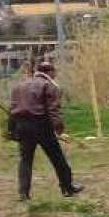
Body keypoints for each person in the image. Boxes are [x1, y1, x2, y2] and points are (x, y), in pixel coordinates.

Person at [8, 61, 81, 201]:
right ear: (50, 72)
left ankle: (24, 193)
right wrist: (59, 130)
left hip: (22, 125)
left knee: (26, 160)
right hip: (41, 124)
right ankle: (67, 187)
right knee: (57, 158)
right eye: (54, 72)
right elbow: (53, 110)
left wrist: (11, 130)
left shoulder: (19, 86)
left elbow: (11, 109)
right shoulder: (49, 86)